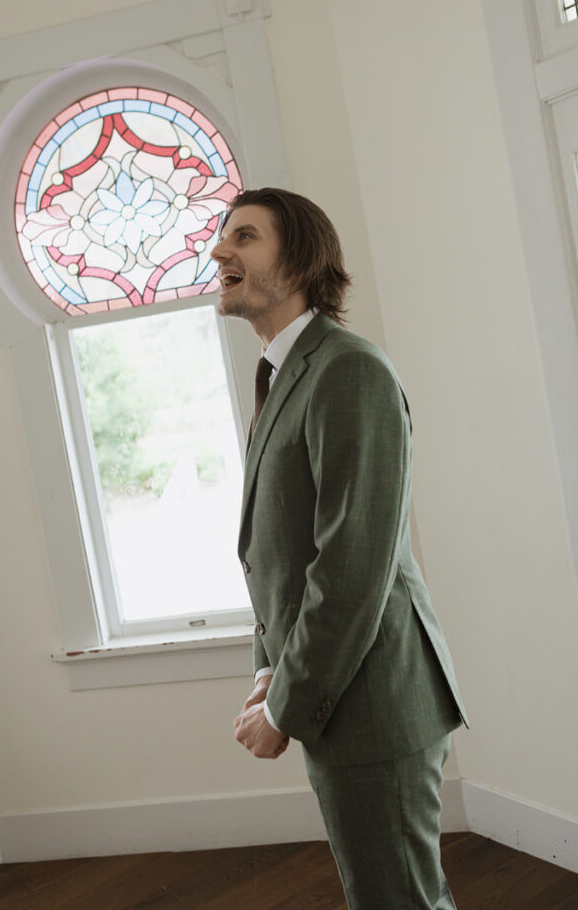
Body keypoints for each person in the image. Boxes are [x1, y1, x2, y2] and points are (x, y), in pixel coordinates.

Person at [210, 187, 468, 910]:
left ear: (297, 262)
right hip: (340, 690)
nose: (218, 251)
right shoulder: (285, 372)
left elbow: (350, 567)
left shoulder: (347, 371)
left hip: (374, 699)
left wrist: (283, 707)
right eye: (222, 236)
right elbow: (283, 550)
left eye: (245, 237)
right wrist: (270, 671)